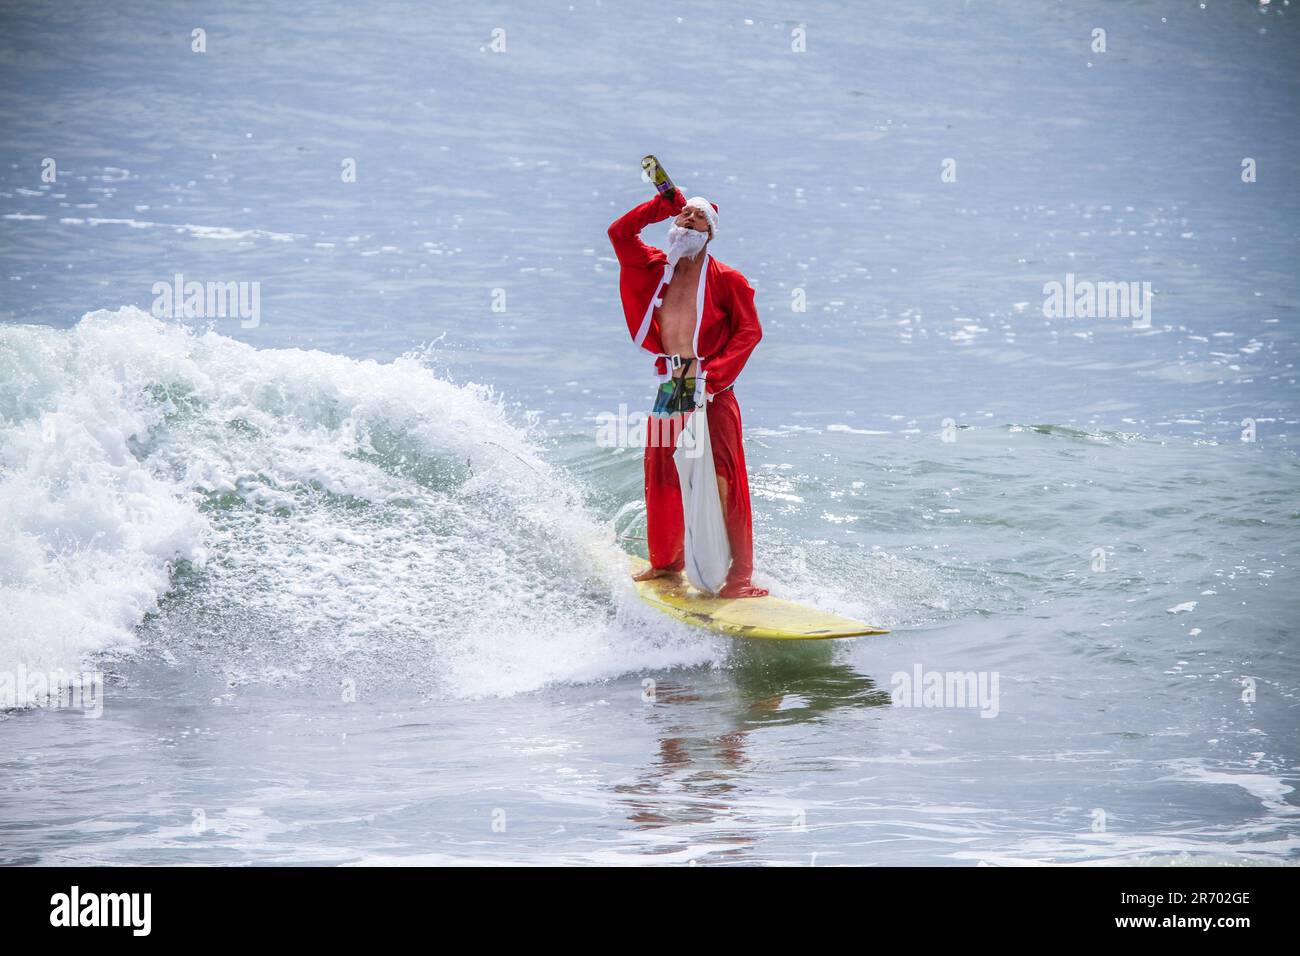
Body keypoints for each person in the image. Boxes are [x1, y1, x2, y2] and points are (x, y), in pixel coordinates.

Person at [607, 185, 768, 598]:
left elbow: (750, 332)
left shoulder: (728, 279)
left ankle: (740, 577)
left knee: (723, 478)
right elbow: (619, 233)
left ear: (709, 233)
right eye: (683, 216)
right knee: (661, 473)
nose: (688, 221)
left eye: (698, 218)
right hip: (670, 389)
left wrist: (713, 378)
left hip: (713, 390)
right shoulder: (652, 267)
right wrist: (661, 205)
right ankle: (665, 564)